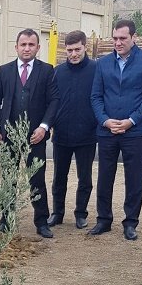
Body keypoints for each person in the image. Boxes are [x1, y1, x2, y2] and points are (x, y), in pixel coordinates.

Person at [90, 19, 142, 241]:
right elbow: (96, 96)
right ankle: (103, 220)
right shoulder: (102, 63)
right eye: (115, 38)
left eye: (123, 38)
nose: (118, 43)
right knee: (104, 177)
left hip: (135, 131)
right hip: (107, 131)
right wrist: (104, 121)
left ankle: (130, 223)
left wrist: (131, 120)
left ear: (134, 38)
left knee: (135, 179)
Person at [0, 28, 60, 238]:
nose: (27, 48)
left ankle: (41, 221)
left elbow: (54, 101)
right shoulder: (4, 71)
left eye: (31, 45)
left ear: (38, 47)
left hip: (35, 136)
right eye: (23, 44)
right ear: (16, 47)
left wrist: (44, 127)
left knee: (36, 179)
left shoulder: (47, 70)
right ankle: (7, 219)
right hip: (9, 135)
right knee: (8, 179)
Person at [47, 30, 97, 230]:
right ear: (65, 50)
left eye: (77, 49)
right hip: (62, 135)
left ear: (85, 46)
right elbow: (51, 101)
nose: (74, 54)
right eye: (70, 50)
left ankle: (81, 214)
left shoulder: (96, 69)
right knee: (59, 177)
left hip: (87, 134)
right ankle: (57, 213)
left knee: (84, 178)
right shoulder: (57, 72)